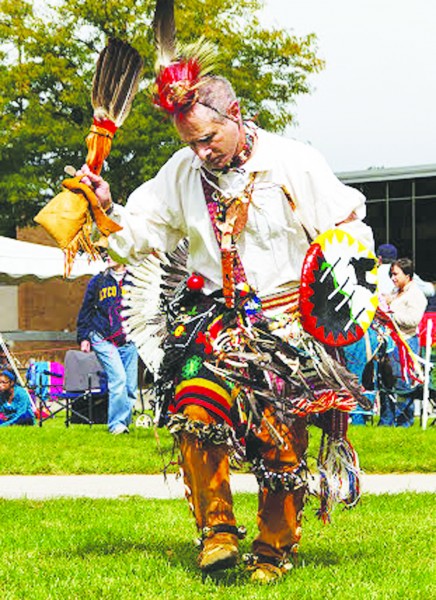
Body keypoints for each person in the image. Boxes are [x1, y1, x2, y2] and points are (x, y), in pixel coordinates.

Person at [77, 71, 374, 582]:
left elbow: (349, 225)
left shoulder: (292, 161)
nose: (200, 152)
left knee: (280, 438)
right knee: (195, 406)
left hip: (286, 323)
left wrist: (339, 294)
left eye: (208, 139)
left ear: (235, 115)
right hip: (214, 317)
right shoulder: (182, 172)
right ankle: (216, 532)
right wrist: (105, 207)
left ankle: (274, 549)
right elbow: (140, 232)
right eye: (190, 143)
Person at [76, 255, 138, 434]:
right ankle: (116, 425)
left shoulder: (135, 280)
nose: (107, 257)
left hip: (129, 338)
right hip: (102, 337)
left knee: (130, 386)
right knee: (118, 379)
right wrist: (84, 338)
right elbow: (85, 310)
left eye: (112, 253)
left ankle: (124, 423)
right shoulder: (98, 281)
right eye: (106, 254)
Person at [378, 258, 427, 427]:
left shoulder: (416, 295)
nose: (392, 278)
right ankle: (386, 421)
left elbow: (413, 320)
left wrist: (391, 314)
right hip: (390, 342)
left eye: (396, 274)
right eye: (391, 274)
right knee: (387, 383)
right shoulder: (395, 291)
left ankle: (403, 422)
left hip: (406, 343)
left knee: (403, 383)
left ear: (408, 275)